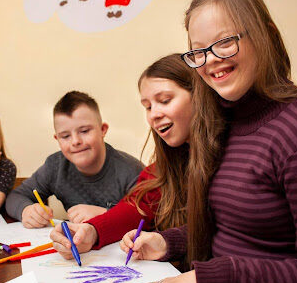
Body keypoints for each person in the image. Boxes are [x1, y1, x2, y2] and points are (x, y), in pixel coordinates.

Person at [122, 0, 297, 283]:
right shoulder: (223, 122)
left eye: (226, 42)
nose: (212, 61)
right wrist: (168, 241)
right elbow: (235, 229)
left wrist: (219, 278)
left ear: (267, 35)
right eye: (199, 51)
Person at [50, 54, 194, 256]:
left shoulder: (232, 157)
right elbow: (138, 206)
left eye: (164, 100)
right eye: (148, 106)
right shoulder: (164, 167)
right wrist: (92, 231)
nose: (154, 114)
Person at [6, 91, 143, 228]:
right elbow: (15, 196)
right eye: (65, 136)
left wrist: (106, 215)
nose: (75, 141)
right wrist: (26, 210)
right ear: (57, 139)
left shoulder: (132, 171)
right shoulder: (55, 166)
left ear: (102, 130)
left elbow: (152, 217)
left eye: (84, 131)